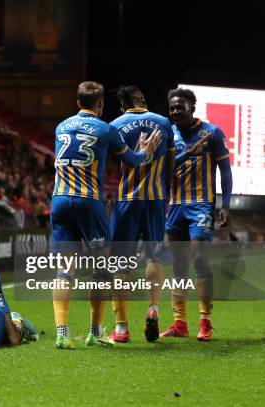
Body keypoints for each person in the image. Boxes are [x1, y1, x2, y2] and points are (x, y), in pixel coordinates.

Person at [49, 81, 161, 349]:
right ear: (100, 104)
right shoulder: (106, 129)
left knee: (64, 269)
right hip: (89, 201)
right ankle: (95, 332)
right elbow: (133, 160)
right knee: (101, 269)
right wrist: (146, 151)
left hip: (59, 199)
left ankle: (62, 334)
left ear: (78, 102)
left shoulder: (60, 126)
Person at [161, 88, 233, 342]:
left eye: (180, 107)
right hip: (175, 207)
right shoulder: (169, 134)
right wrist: (188, 154)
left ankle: (205, 321)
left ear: (192, 107)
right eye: (171, 108)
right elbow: (164, 170)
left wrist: (225, 205)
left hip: (201, 205)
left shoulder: (212, 133)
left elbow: (225, 171)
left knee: (200, 258)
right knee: (178, 265)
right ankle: (179, 323)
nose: (175, 112)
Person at [108, 86, 176, 342]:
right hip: (155, 200)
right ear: (144, 100)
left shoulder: (114, 125)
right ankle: (153, 307)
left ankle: (122, 328)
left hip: (127, 200)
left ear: (122, 106)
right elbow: (171, 164)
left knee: (120, 263)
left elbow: (116, 163)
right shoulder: (164, 123)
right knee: (154, 255)